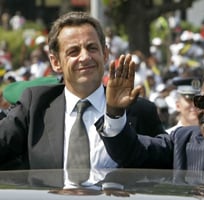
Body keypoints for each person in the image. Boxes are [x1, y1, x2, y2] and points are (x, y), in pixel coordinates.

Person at [0, 11, 165, 174]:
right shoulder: (35, 104)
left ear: (105, 54)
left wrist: (117, 119)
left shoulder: (139, 110)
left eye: (92, 48)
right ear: (56, 62)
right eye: (73, 51)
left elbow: (164, 168)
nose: (85, 57)